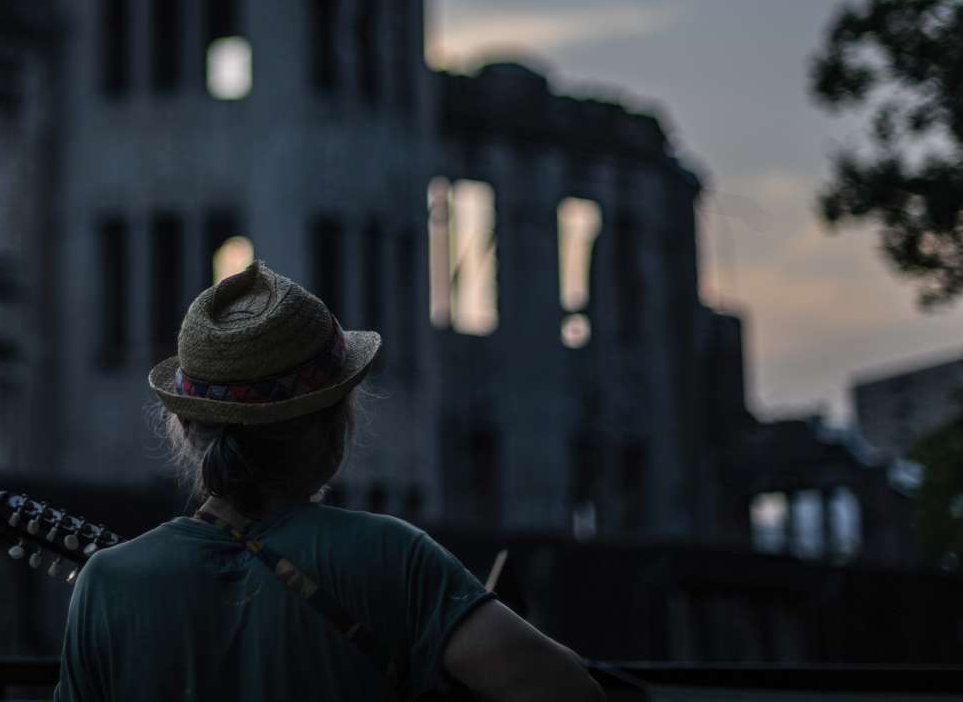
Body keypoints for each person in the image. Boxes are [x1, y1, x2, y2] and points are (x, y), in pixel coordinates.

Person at [53, 259, 603, 702]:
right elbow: (568, 690)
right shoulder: (391, 555)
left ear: (184, 426)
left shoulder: (106, 584)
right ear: (334, 424)